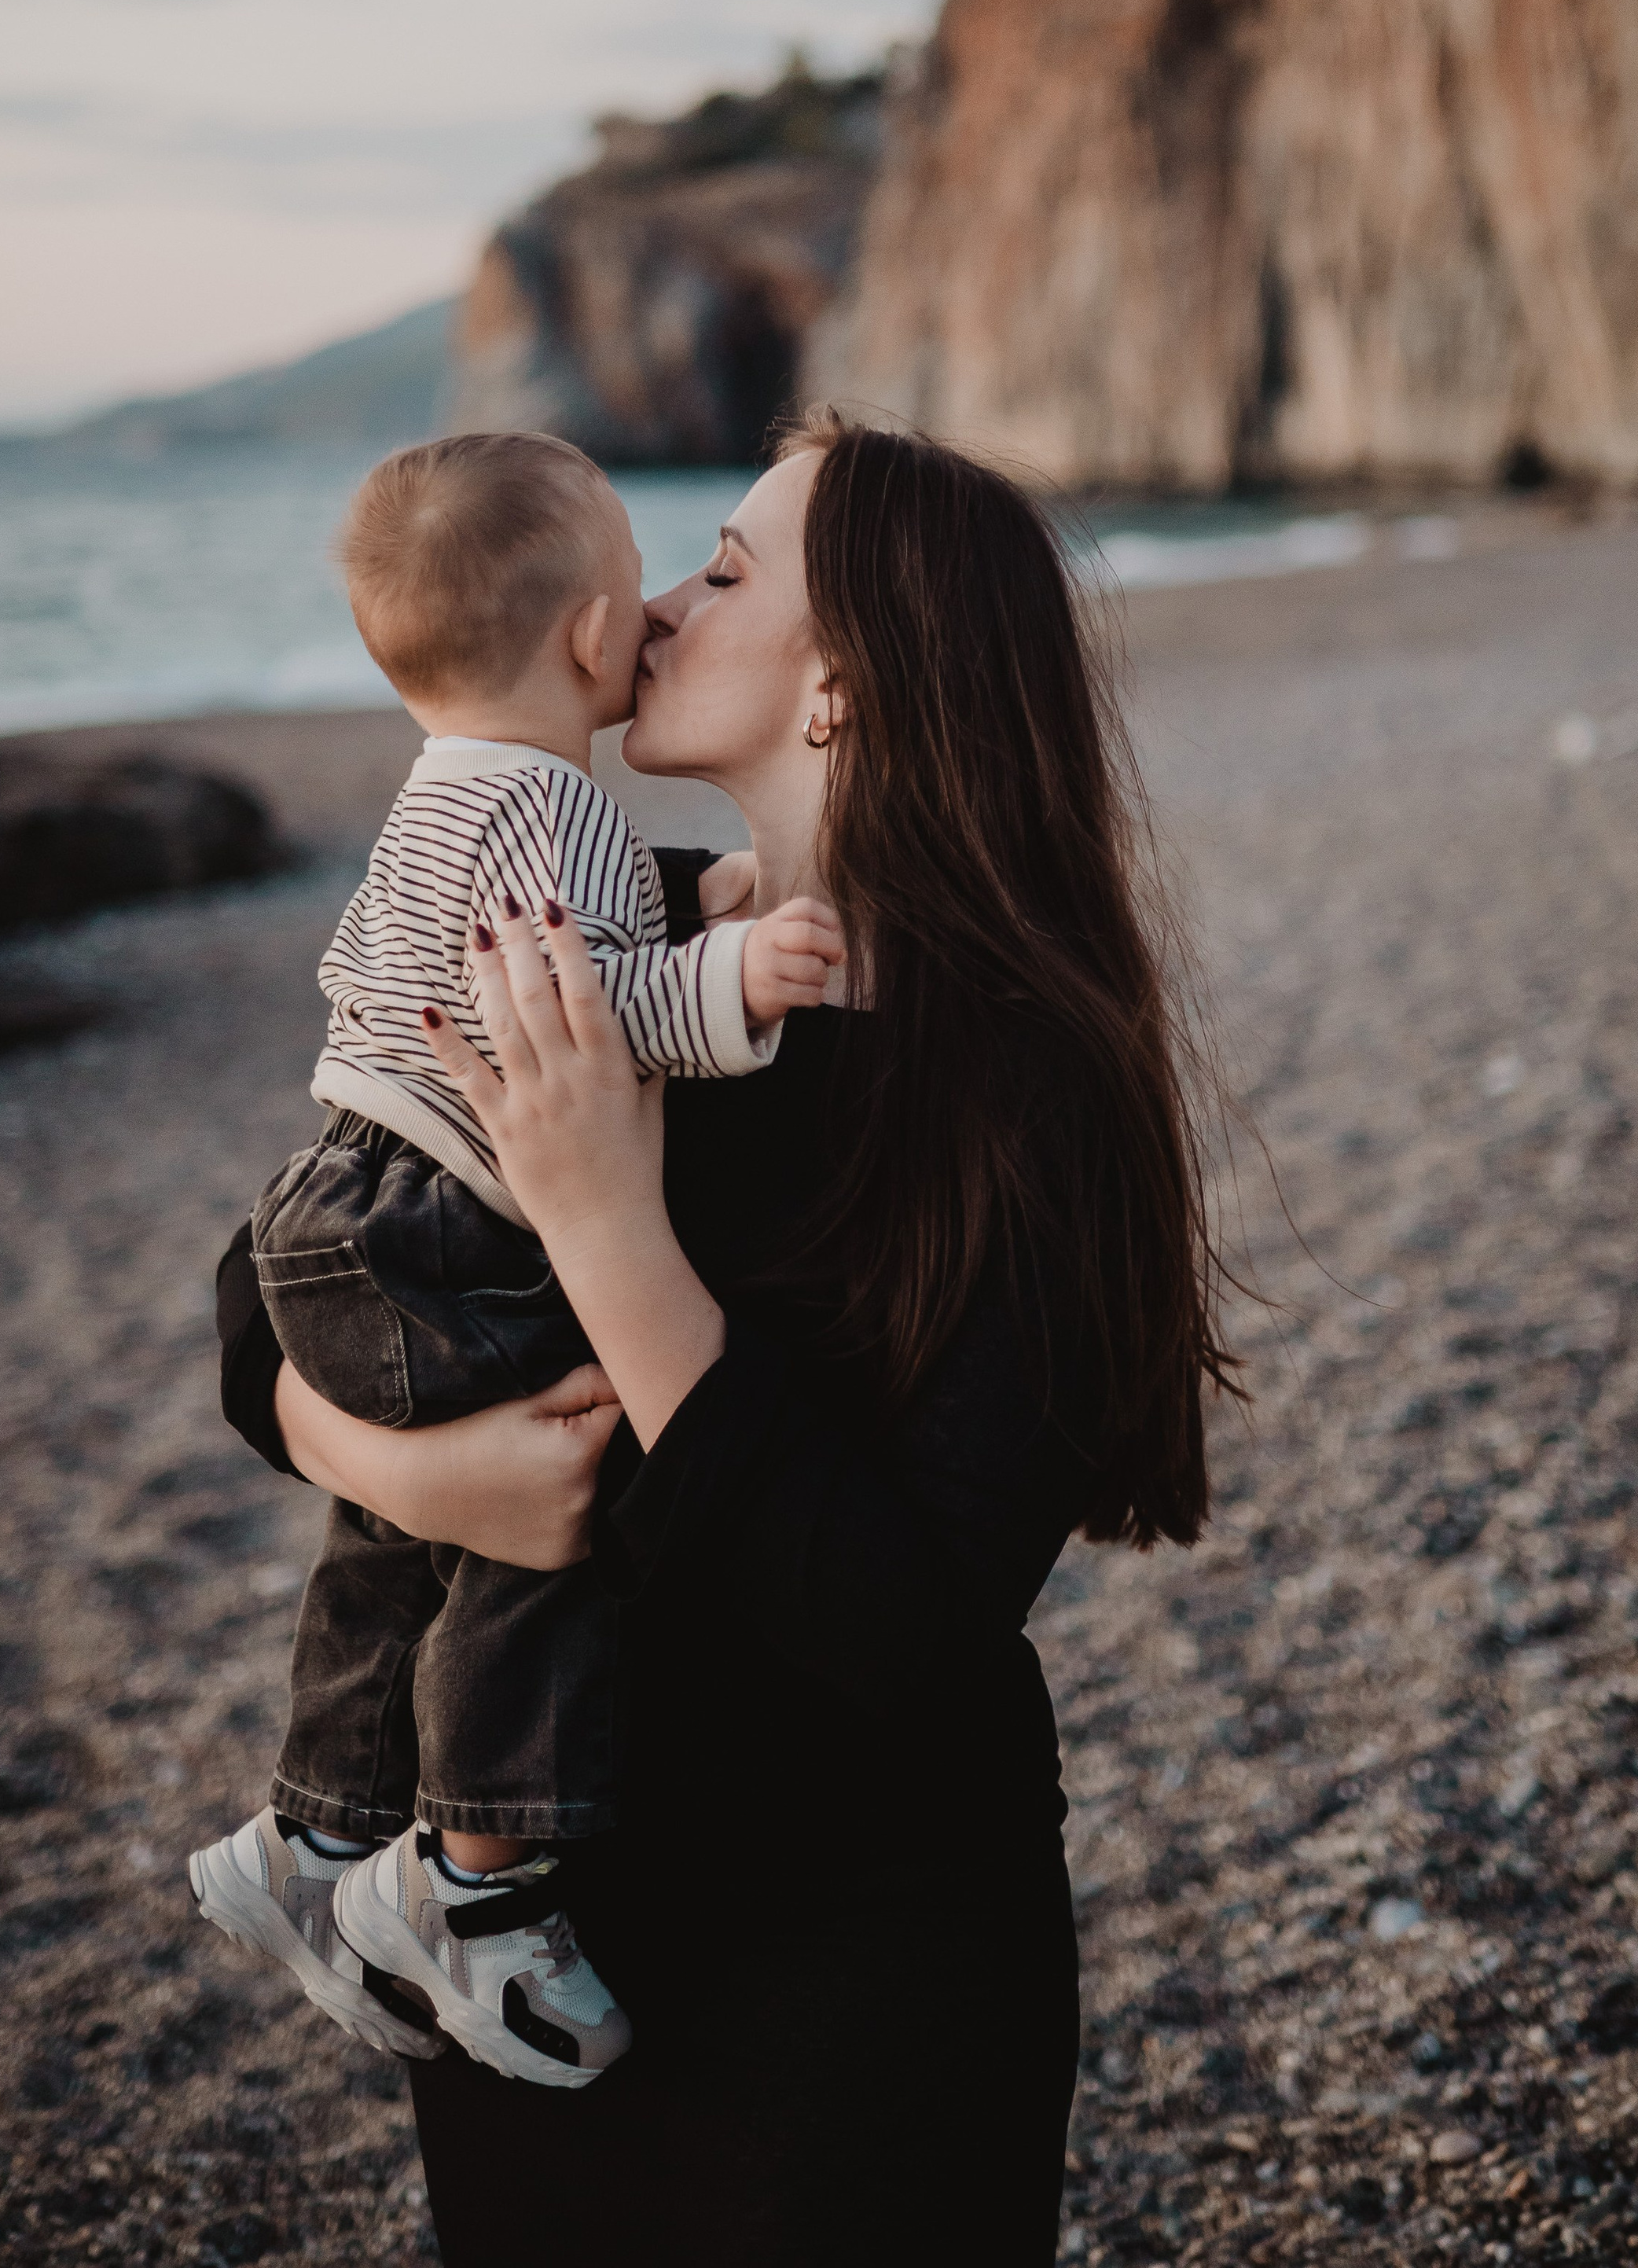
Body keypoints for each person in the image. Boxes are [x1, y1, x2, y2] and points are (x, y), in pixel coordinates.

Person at [215, 413, 1236, 2268]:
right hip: (524, 1935)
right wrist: (422, 1473)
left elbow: (902, 1632)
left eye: (728, 570)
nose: (661, 606)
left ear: (842, 685)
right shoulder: (620, 957)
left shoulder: (1018, 1089)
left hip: (846, 1968)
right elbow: (280, 1279)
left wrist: (606, 1230)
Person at [189, 432, 843, 2085]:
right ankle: (472, 1876)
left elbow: (507, 955)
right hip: (427, 1211)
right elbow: (586, 1013)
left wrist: (711, 905)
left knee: (409, 1524)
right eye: (660, 576)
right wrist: (736, 978)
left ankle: (321, 1829)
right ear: (588, 636)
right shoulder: (554, 803)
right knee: (552, 1486)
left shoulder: (456, 790)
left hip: (335, 1199)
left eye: (727, 570)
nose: (669, 606)